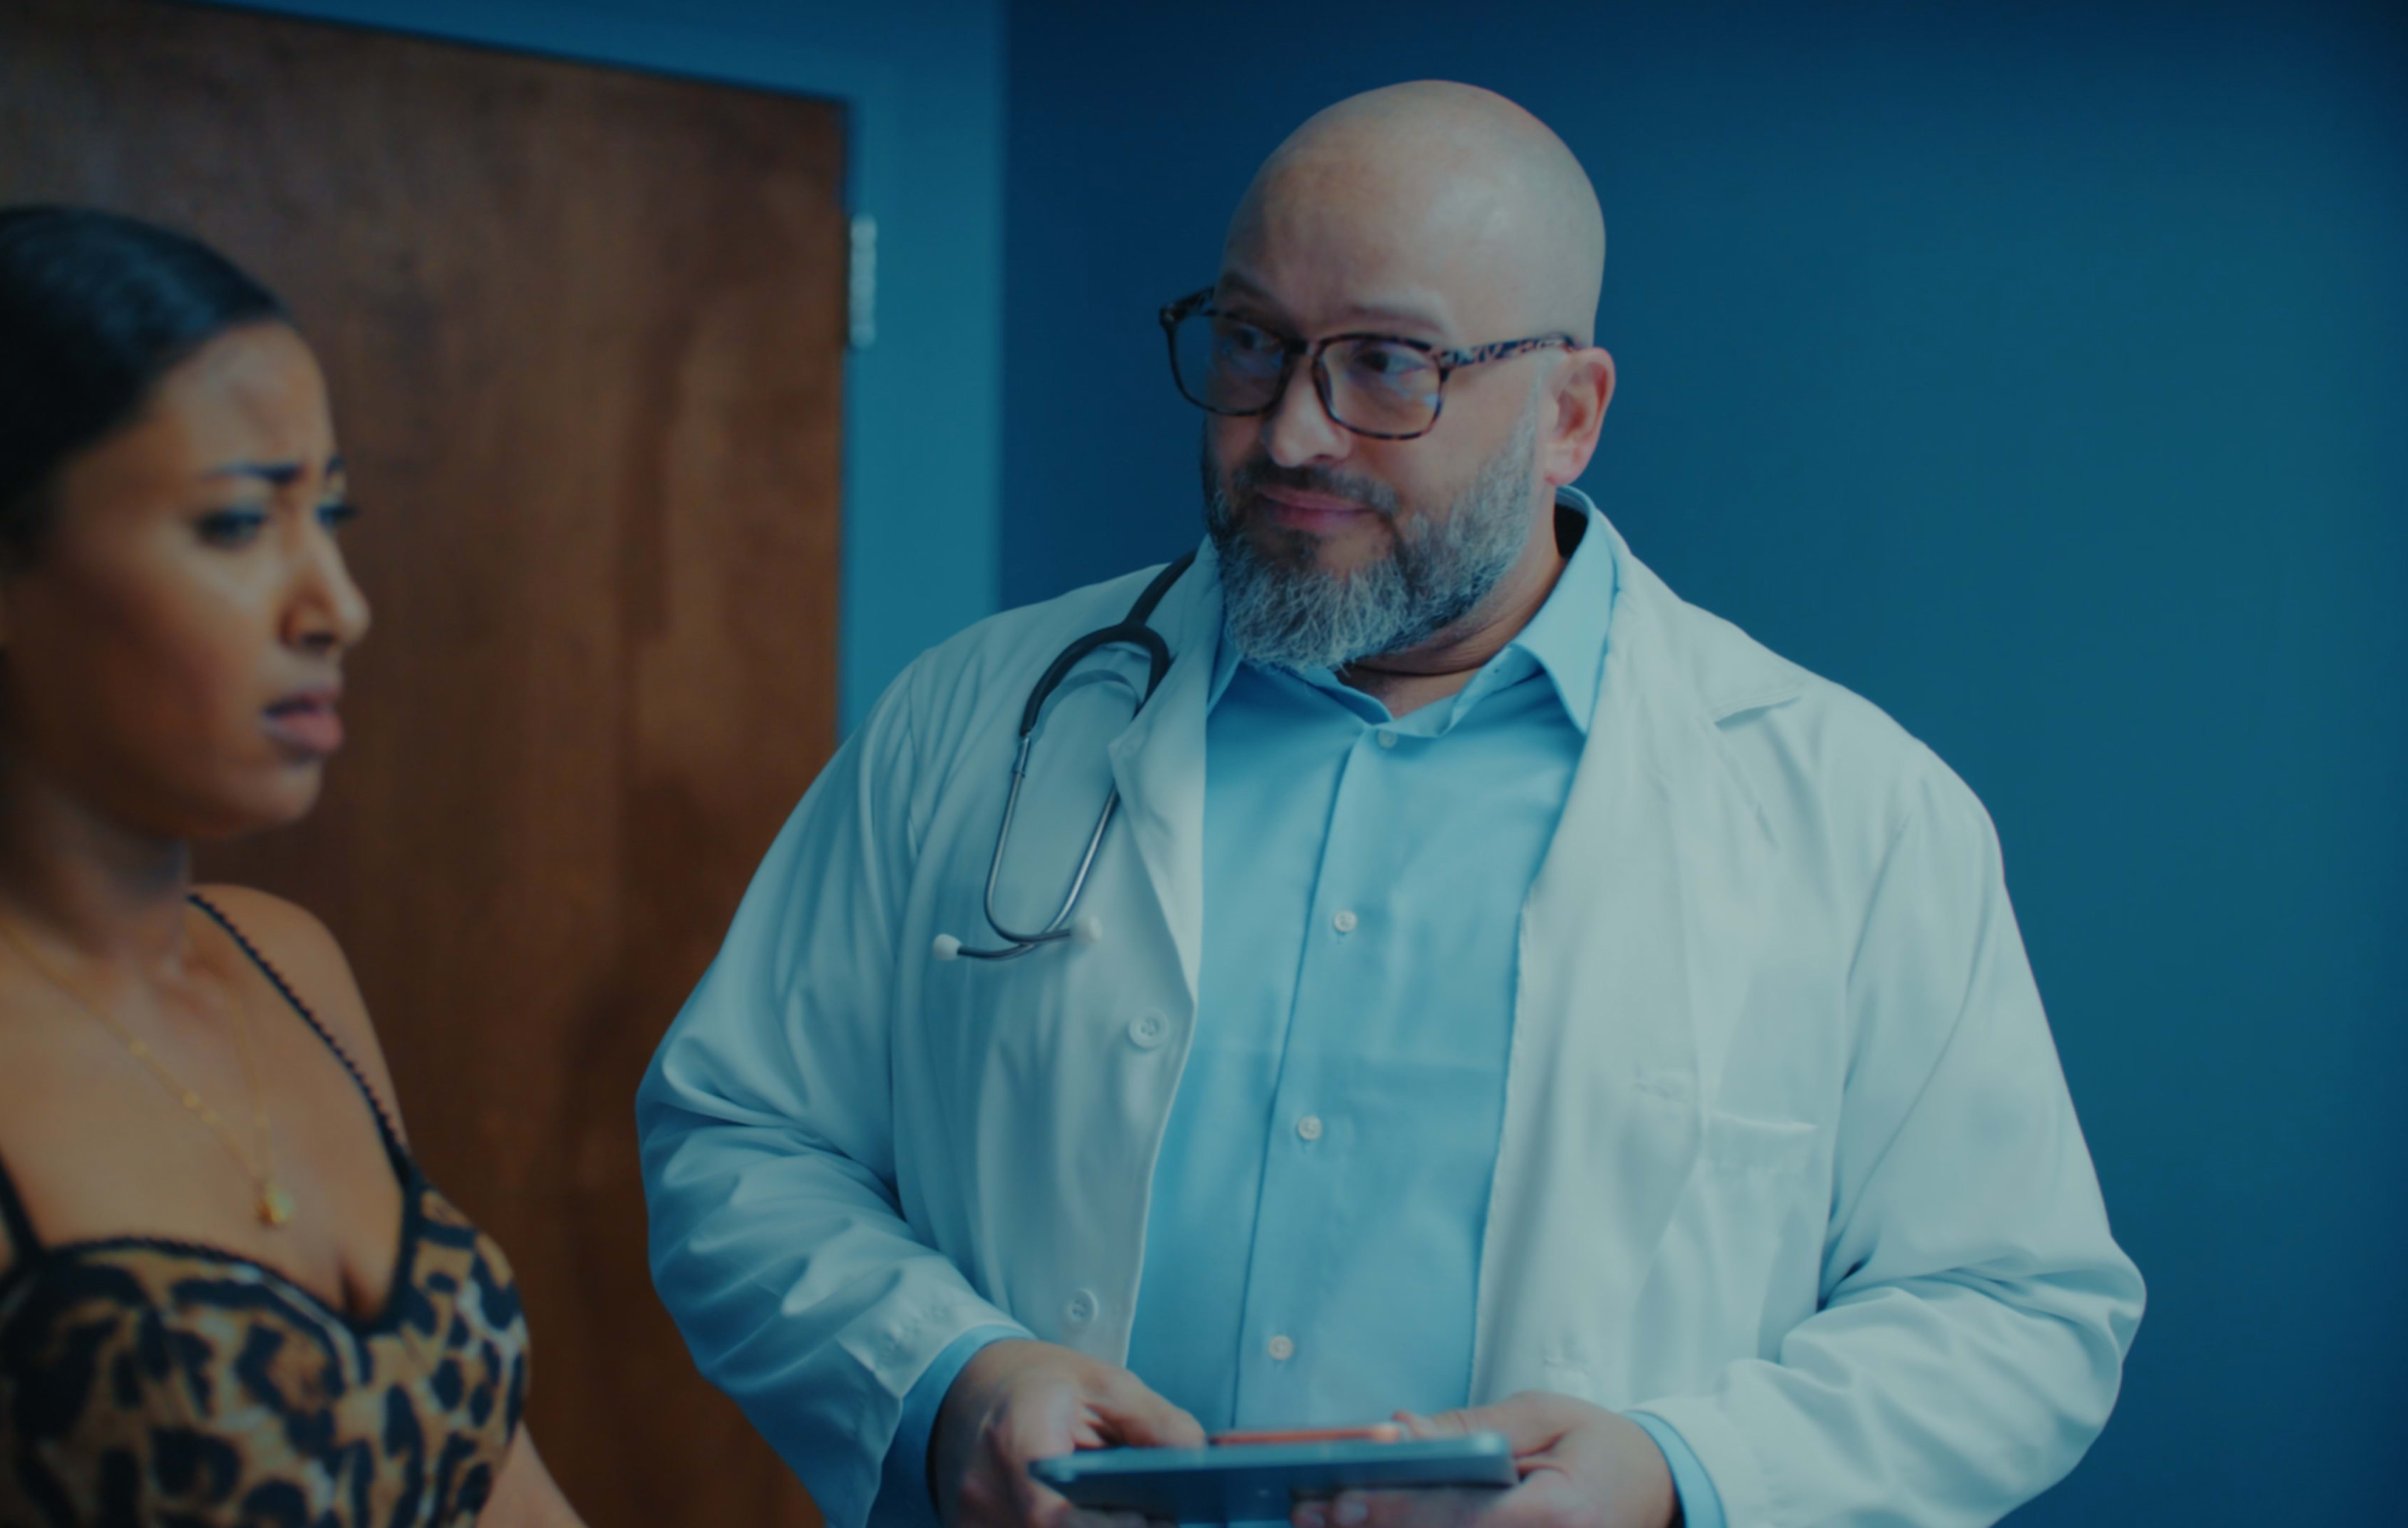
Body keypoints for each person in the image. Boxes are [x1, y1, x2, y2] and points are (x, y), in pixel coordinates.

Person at [638, 81, 2143, 1528]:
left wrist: (1682, 1472)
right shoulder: (979, 716)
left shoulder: (1852, 809)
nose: (1292, 434)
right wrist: (952, 1380)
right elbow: (740, 1136)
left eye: (1388, 366)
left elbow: (2015, 1313)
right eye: (1252, 343)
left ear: (1568, 413)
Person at [0, 207, 587, 1528]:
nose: (336, 603)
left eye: (325, 513)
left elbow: (493, 1490)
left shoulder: (289, 965)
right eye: (237, 525)